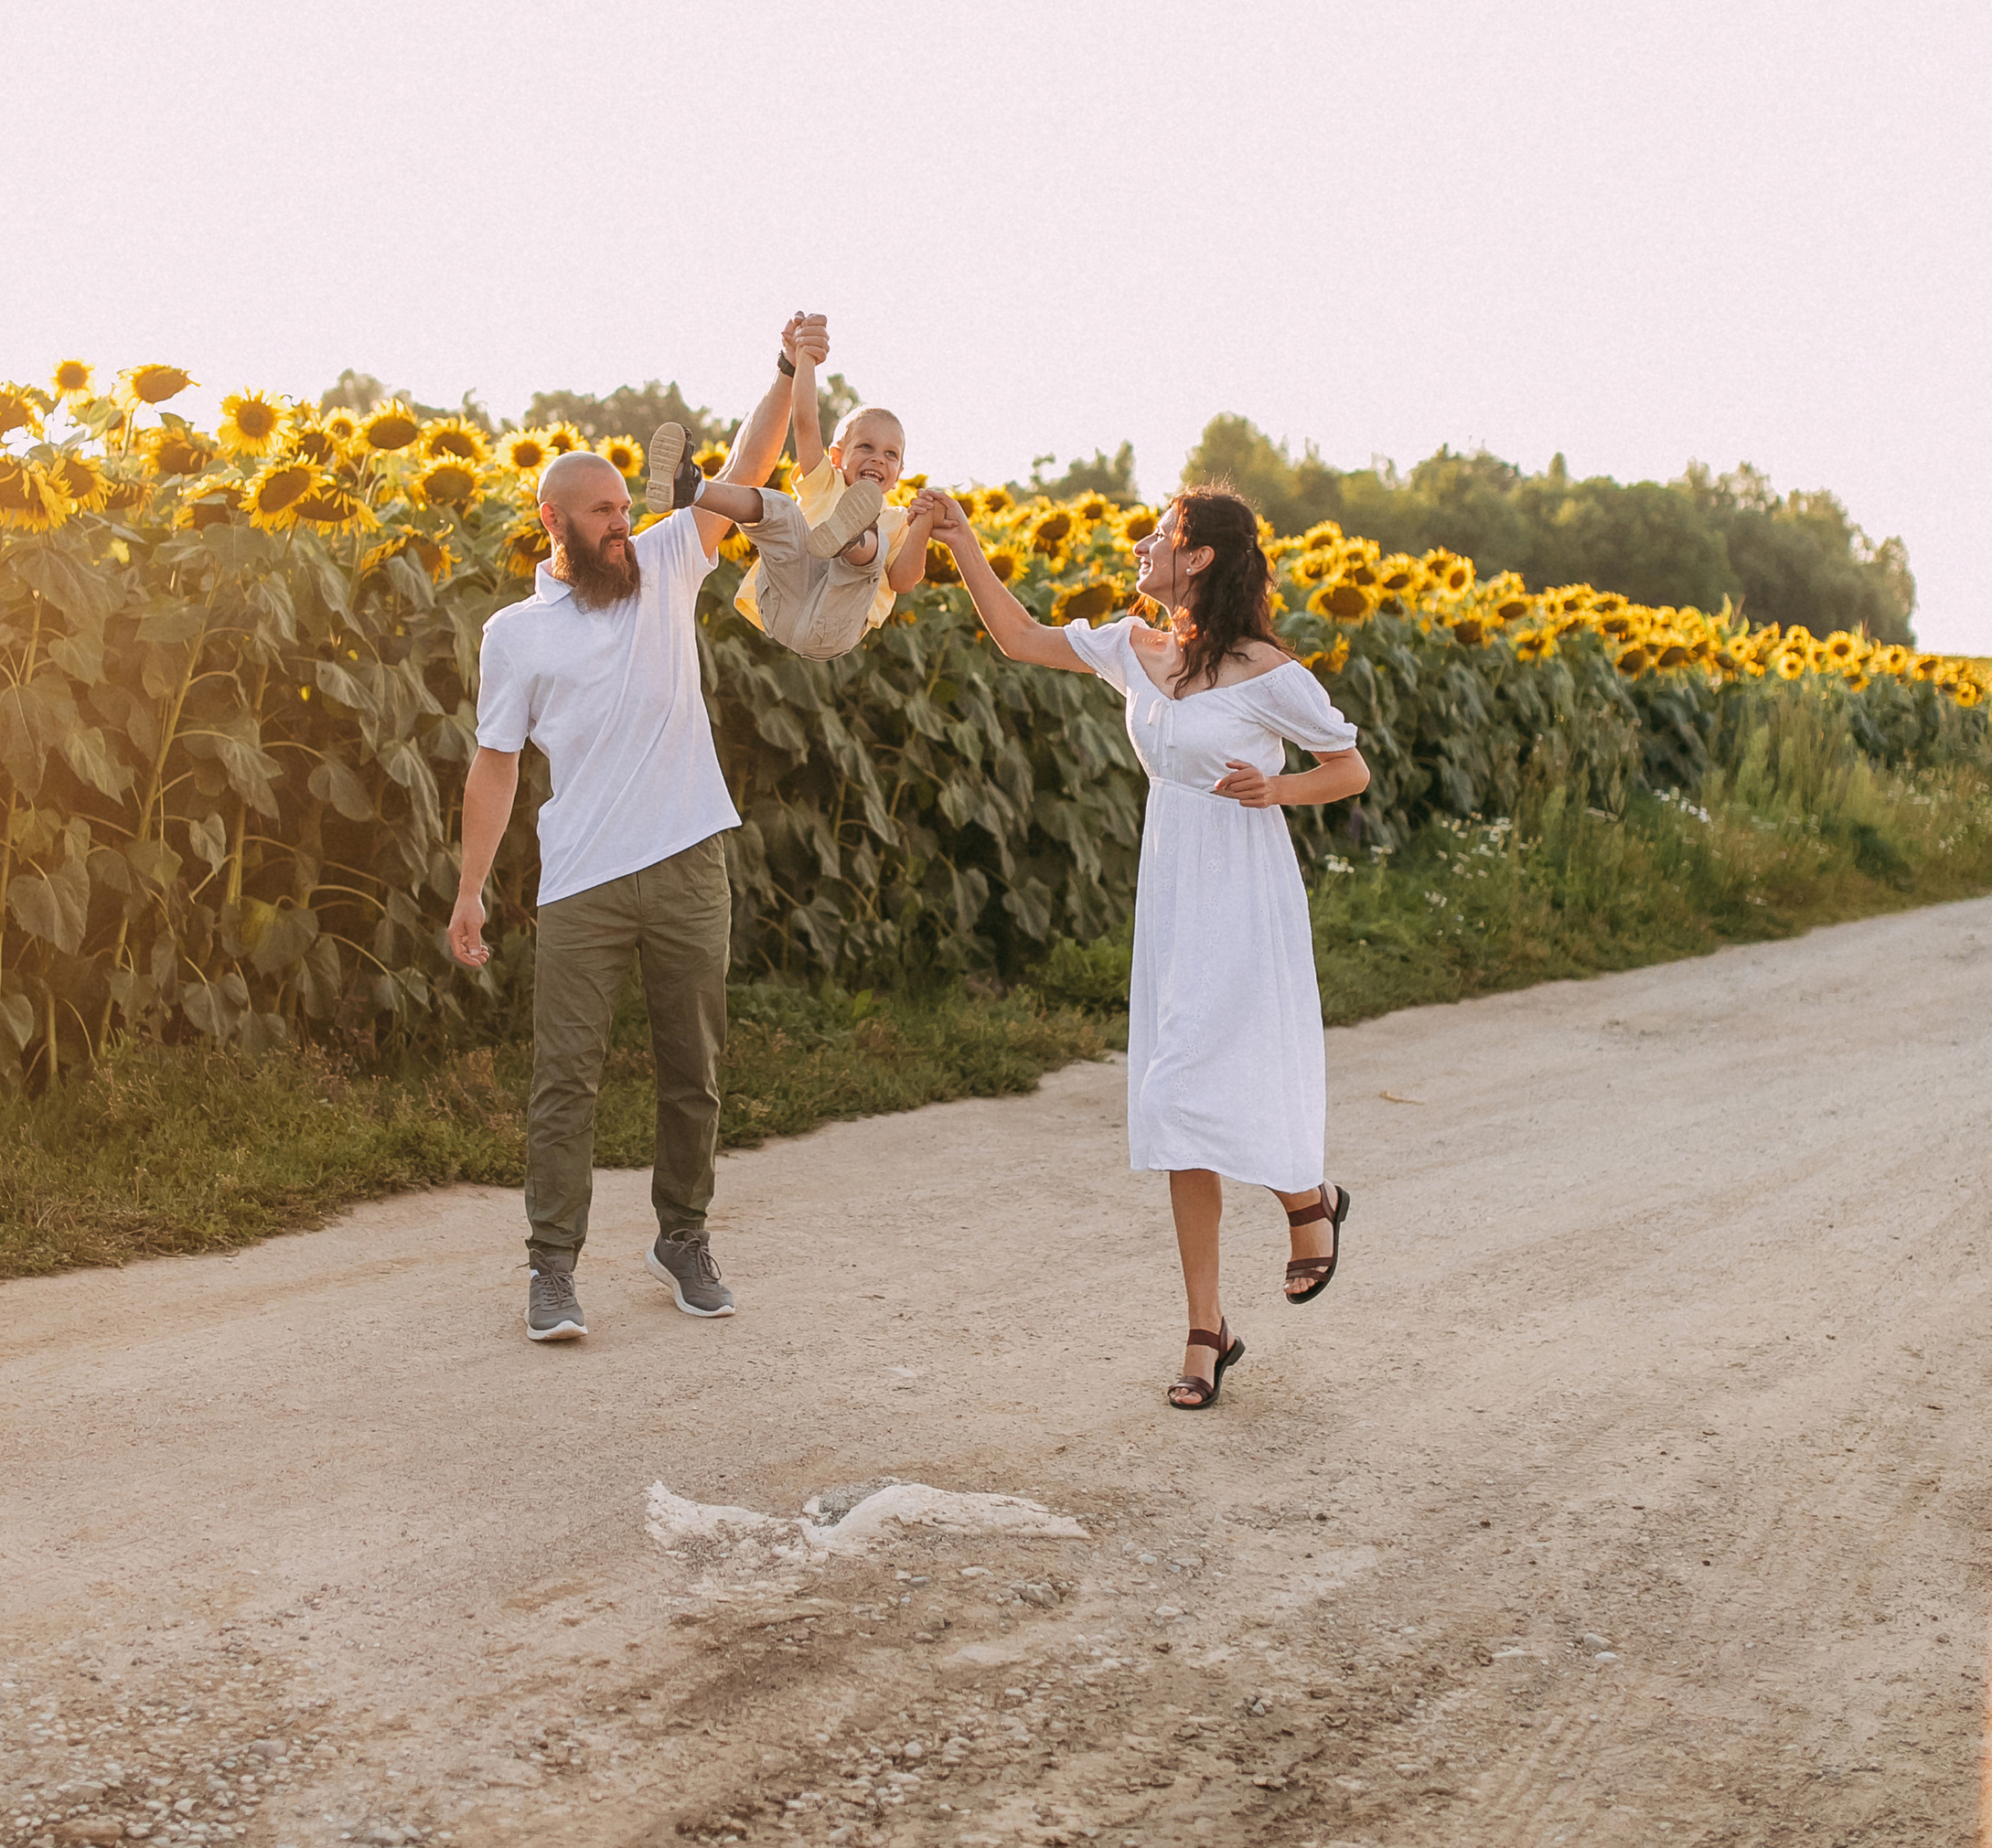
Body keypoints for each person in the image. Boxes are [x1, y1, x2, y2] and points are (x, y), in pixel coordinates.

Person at [918, 481, 1370, 1409]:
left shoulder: (1265, 670)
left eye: (1157, 534)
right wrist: (961, 542)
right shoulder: (1134, 648)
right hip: (1171, 886)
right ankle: (1210, 1324)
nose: (1140, 546)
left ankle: (1303, 1197)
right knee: (1172, 1103)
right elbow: (1017, 637)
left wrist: (1274, 793)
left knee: (1217, 1069)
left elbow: (1347, 767)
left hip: (1242, 883)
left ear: (1197, 557)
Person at [446, 448, 743, 1347]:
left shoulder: (664, 563)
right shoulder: (515, 633)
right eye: (603, 512)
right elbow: (495, 765)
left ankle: (683, 1240)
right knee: (563, 1082)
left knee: (693, 1070)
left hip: (689, 861)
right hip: (582, 881)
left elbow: (748, 462)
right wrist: (470, 893)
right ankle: (551, 1269)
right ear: (554, 523)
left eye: (624, 507)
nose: (622, 523)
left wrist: (789, 372)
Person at [647, 312, 933, 662]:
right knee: (781, 509)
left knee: (873, 550)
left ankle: (853, 539)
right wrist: (806, 359)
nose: (878, 459)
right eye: (866, 448)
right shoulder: (824, 482)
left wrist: (922, 527)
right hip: (782, 605)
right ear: (837, 456)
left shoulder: (900, 521)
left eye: (890, 455)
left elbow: (903, 580)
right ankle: (690, 489)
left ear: (900, 471)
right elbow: (805, 423)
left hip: (832, 623)